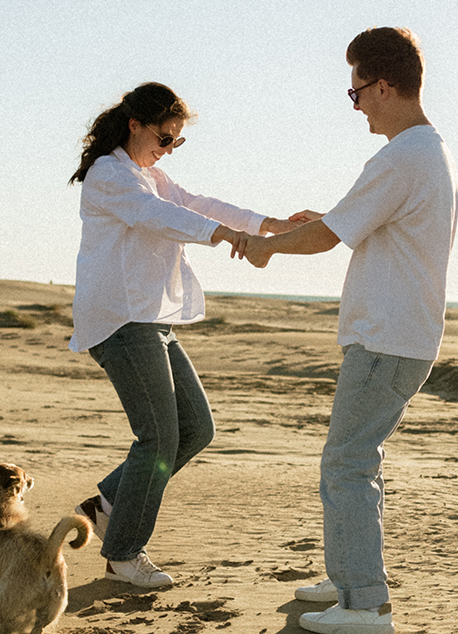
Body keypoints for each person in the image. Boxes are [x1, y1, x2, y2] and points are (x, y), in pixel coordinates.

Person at [240, 28, 458, 634]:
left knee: (347, 462)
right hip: (400, 336)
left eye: (357, 90)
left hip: (387, 338)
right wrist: (322, 220)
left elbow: (327, 238)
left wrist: (266, 247)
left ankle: (364, 602)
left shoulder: (403, 156)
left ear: (384, 86)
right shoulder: (423, 154)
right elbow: (348, 223)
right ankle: (349, 578)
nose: (356, 104)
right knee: (356, 461)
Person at [69, 82, 303, 588]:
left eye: (176, 141)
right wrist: (226, 237)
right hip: (121, 320)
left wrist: (269, 224)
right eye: (164, 136)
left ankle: (109, 503)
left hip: (152, 320)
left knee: (196, 428)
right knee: (157, 436)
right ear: (134, 124)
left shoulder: (150, 174)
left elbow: (200, 203)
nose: (168, 147)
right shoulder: (110, 175)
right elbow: (163, 217)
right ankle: (124, 554)